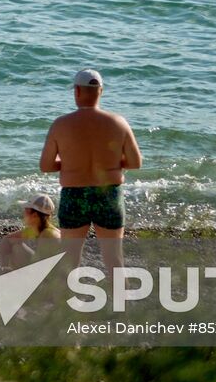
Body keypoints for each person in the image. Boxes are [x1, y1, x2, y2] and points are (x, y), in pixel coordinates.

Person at [39, 69, 142, 272]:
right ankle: (121, 302)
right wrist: (109, 164)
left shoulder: (61, 125)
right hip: (109, 194)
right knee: (114, 259)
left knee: (69, 259)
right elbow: (135, 162)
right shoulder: (118, 123)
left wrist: (70, 164)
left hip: (74, 194)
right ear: (100, 91)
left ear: (77, 91)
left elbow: (46, 166)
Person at [0, 194, 60, 270]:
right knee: (16, 245)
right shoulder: (36, 229)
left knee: (18, 249)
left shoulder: (49, 235)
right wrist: (4, 267)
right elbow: (7, 240)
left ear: (34, 215)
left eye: (26, 210)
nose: (23, 213)